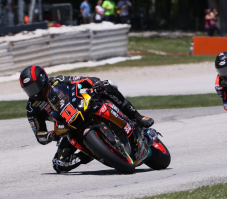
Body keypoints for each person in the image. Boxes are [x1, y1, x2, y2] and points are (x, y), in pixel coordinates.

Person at [19, 65, 155, 173]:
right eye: (28, 90)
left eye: (34, 87)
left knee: (106, 86)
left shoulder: (57, 81)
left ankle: (138, 117)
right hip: (68, 128)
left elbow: (84, 80)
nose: (33, 92)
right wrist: (53, 135)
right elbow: (39, 135)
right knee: (59, 164)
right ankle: (92, 153)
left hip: (82, 108)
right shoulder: (32, 108)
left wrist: (95, 84)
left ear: (43, 80)